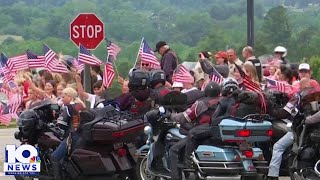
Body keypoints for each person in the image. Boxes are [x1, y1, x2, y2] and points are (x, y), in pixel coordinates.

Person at [168, 81, 221, 180]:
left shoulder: (200, 104)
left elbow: (184, 117)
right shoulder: (221, 102)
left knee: (173, 150)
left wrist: (171, 116)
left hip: (200, 135)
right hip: (217, 134)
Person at [267, 78, 314, 180]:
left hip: (300, 130)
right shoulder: (316, 97)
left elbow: (284, 113)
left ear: (301, 86)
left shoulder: (298, 97)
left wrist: (269, 108)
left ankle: (273, 175)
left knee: (278, 146)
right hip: (313, 132)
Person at [51, 87, 86, 180]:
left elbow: (61, 124)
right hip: (83, 136)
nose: (62, 99)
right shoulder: (81, 105)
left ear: (70, 97)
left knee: (54, 157)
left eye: (63, 97)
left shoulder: (68, 107)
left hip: (73, 137)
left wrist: (55, 123)